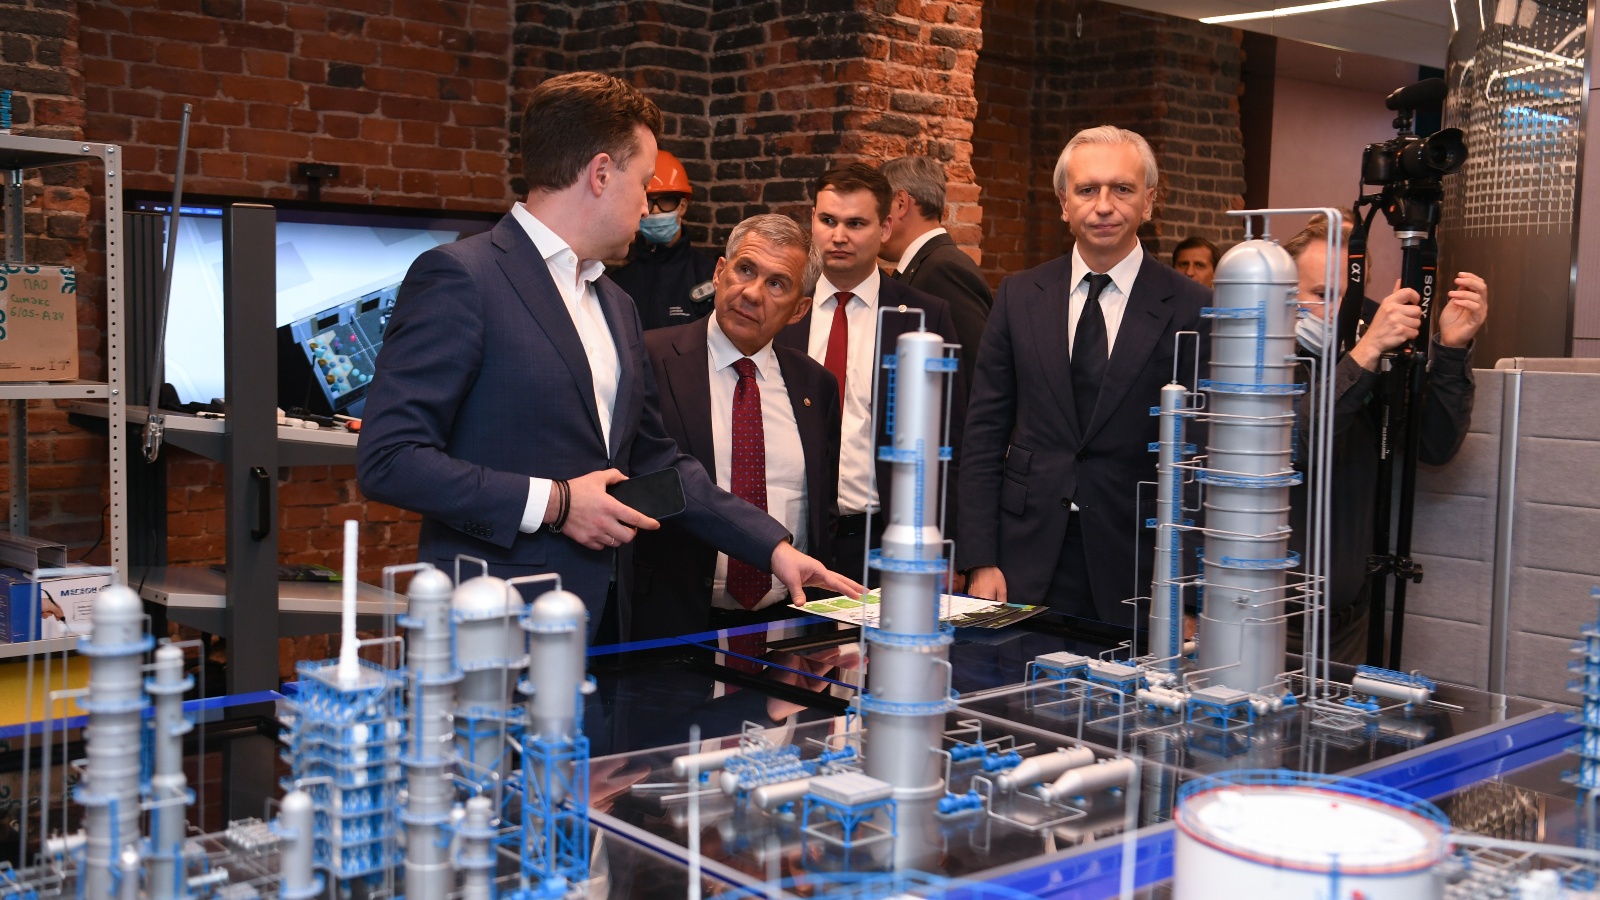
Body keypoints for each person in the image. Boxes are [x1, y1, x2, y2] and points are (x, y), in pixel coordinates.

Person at [357, 71, 861, 642]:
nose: (647, 205)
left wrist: (771, 547)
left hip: (607, 627)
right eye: (643, 183)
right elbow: (391, 458)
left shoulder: (616, 304)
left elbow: (656, 464)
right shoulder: (462, 277)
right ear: (600, 174)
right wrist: (557, 503)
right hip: (492, 623)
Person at [960, 126, 1209, 625]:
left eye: (1123, 189)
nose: (1104, 206)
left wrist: (1188, 592)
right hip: (1022, 558)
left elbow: (1200, 458)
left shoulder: (1193, 307)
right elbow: (984, 435)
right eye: (1087, 189)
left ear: (1149, 201)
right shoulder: (1018, 296)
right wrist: (979, 558)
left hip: (1140, 565)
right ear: (1064, 202)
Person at [1283, 215, 1487, 663]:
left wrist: (1451, 350)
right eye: (1321, 294)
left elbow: (1433, 446)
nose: (1337, 311)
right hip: (1270, 626)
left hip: (1350, 625)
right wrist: (1366, 352)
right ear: (1284, 293)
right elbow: (1299, 441)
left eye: (1348, 296)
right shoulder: (1259, 357)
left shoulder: (1369, 355)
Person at [630, 214, 843, 640]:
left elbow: (824, 511)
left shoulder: (815, 385)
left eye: (776, 284)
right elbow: (648, 483)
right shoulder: (649, 358)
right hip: (672, 624)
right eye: (745, 270)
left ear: (799, 309)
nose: (752, 293)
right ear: (719, 273)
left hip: (787, 624)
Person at [775, 163, 964, 585]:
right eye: (828, 221)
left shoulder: (924, 317)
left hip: (882, 540)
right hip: (792, 539)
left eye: (856, 223)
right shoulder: (781, 310)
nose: (839, 236)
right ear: (812, 221)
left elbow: (952, 439)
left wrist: (952, 548)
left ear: (885, 227)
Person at [880, 155, 994, 385]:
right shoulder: (927, 264)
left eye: (878, 207)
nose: (874, 220)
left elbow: (978, 373)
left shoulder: (944, 270)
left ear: (901, 203)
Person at [606, 149, 720, 330]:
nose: (656, 211)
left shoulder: (710, 277)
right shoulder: (618, 284)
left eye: (666, 200)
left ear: (682, 206)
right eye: (649, 200)